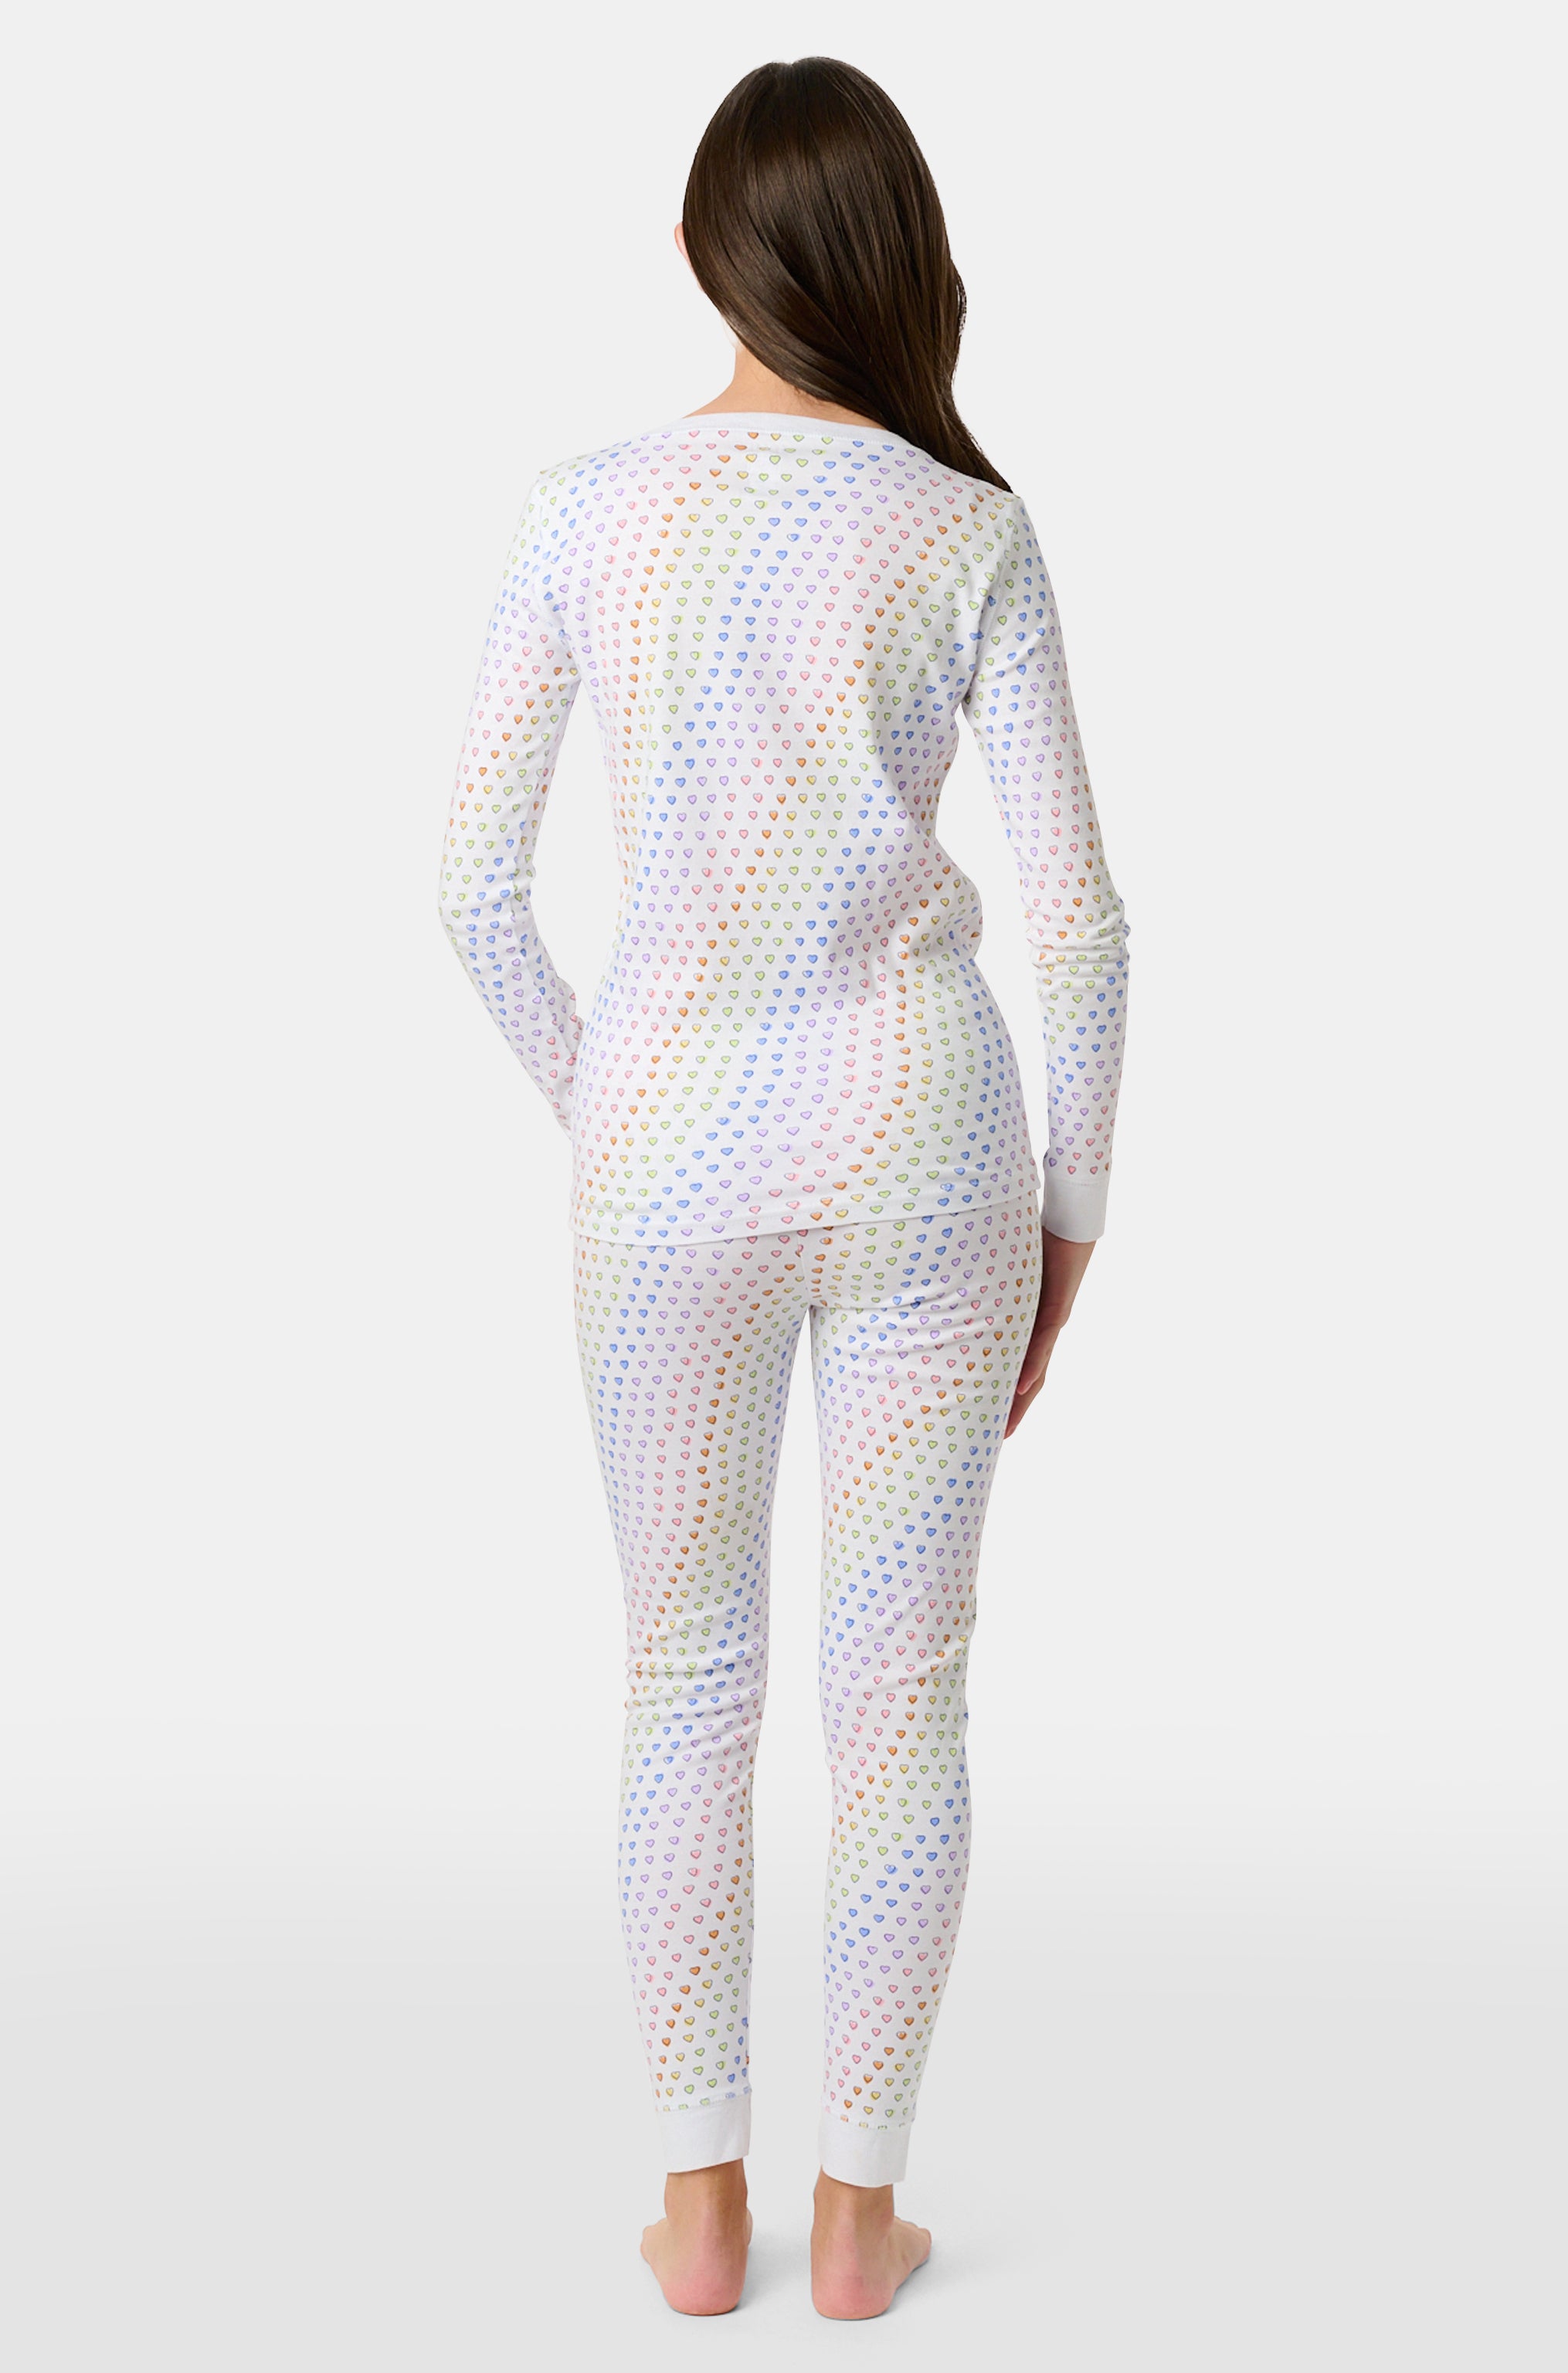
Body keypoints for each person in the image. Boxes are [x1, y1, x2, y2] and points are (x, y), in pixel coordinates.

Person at [436, 55, 1129, 2321]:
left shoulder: (581, 511)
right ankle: (858, 2222)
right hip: (929, 1144)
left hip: (665, 1162)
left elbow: (472, 892)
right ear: (909, 262)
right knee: (905, 1689)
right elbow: (1086, 928)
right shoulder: (966, 530)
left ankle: (697, 2211)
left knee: (682, 1673)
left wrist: (615, 1110)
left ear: (693, 256)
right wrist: (1069, 1221)